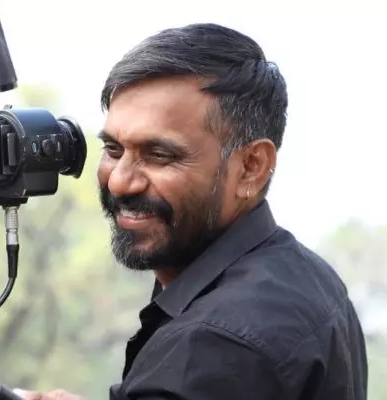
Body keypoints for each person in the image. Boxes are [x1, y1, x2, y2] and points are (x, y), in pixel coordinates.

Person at [24, 23, 368, 400]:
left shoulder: (212, 345)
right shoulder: (307, 276)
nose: (120, 182)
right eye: (113, 150)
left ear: (251, 167)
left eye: (159, 155)